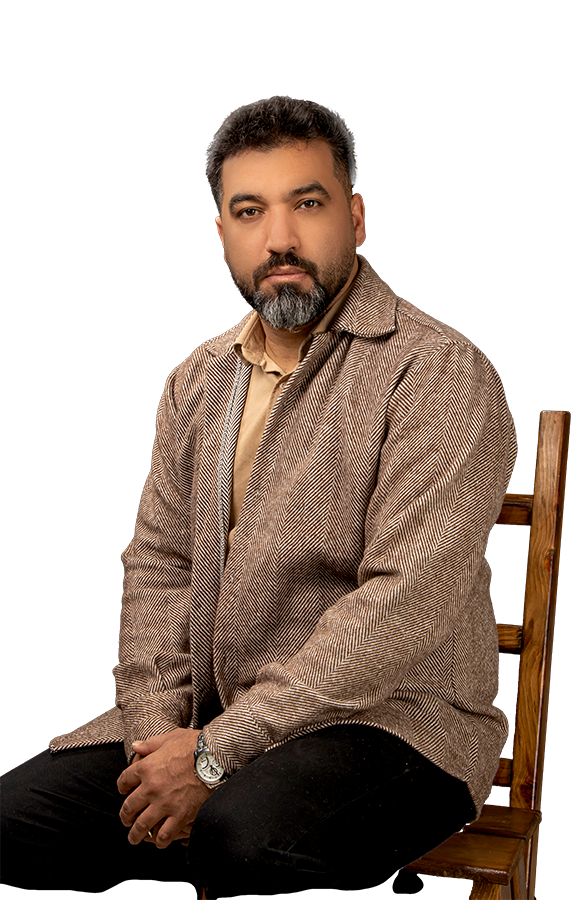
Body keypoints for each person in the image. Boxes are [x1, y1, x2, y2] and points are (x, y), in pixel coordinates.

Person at [0, 96, 517, 898]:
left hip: (401, 726)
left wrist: (217, 754)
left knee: (247, 836)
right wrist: (156, 741)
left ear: (356, 217)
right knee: (14, 818)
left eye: (306, 203)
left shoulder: (438, 375)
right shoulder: (198, 381)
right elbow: (159, 568)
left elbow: (404, 606)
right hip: (215, 717)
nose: (280, 237)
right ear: (221, 234)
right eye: (250, 211)